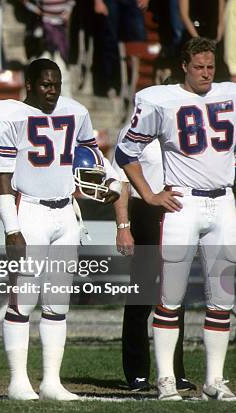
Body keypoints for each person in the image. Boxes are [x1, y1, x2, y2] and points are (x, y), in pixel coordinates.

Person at [0, 58, 120, 401]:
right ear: (29, 84)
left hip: (66, 214)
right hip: (28, 210)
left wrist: (111, 181)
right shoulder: (9, 113)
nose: (52, 91)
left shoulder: (74, 110)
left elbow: (91, 154)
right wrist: (11, 228)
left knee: (58, 302)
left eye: (56, 84)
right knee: (23, 299)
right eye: (45, 84)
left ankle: (51, 381)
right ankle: (18, 381)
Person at [115, 37, 235, 401]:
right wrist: (150, 195)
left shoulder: (229, 94)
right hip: (182, 203)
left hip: (223, 201)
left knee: (224, 297)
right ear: (184, 65)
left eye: (210, 66)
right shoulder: (159, 99)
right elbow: (125, 151)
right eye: (198, 67)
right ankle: (166, 378)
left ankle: (215, 378)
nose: (205, 73)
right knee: (169, 296)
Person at [112, 128, 195, 392]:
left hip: (179, 209)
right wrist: (123, 226)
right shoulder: (135, 129)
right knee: (141, 293)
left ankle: (173, 372)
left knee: (175, 295)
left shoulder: (184, 124)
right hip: (145, 211)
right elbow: (120, 182)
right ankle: (136, 372)